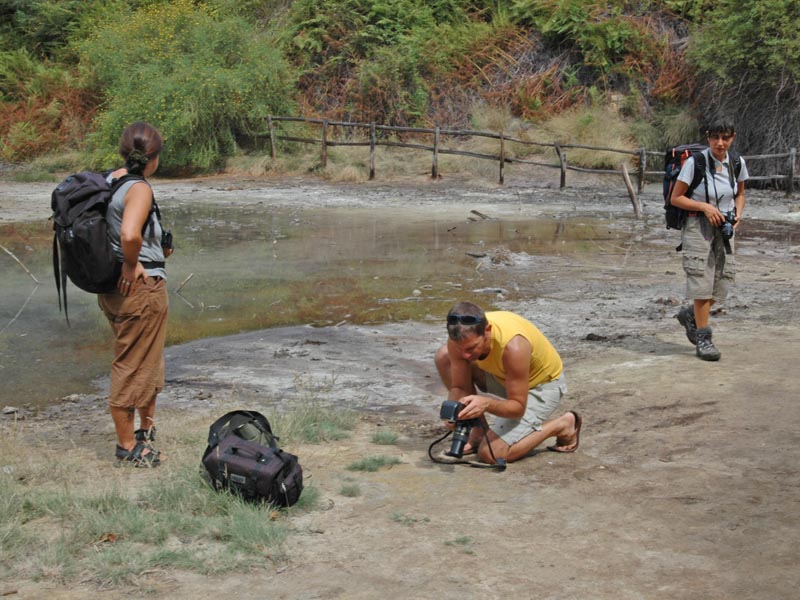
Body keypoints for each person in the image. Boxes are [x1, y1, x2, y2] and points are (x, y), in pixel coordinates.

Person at [98, 121, 171, 467]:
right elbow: (129, 234)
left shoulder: (112, 179)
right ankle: (128, 446)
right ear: (153, 158)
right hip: (139, 288)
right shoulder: (139, 188)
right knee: (131, 363)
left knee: (146, 358)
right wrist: (132, 263)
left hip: (113, 289)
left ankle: (145, 430)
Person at [434, 301, 581, 465]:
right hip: (504, 377)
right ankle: (477, 434)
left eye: (472, 348)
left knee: (491, 454)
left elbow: (517, 407)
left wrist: (487, 404)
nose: (466, 355)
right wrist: (455, 412)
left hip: (540, 386)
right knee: (444, 356)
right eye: (460, 349)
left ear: (487, 331)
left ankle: (562, 425)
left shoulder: (514, 346)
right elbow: (459, 387)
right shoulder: (460, 337)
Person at [670, 118, 748, 361]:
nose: (720, 143)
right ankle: (704, 338)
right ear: (708, 137)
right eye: (715, 137)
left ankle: (691, 315)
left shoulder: (737, 162)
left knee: (722, 280)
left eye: (725, 137)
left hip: (724, 226)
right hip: (698, 225)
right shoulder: (696, 163)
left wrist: (738, 216)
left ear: (733, 137)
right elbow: (676, 198)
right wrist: (704, 207)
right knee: (701, 281)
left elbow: (741, 193)